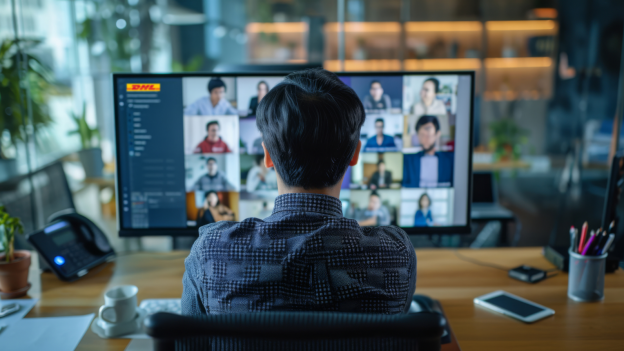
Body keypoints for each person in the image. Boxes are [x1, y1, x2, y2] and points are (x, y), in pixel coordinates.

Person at [183, 68, 416, 315]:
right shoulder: (395, 254)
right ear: (355, 154)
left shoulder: (210, 251)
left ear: (268, 156)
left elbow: (189, 344)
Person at [402, 115, 454, 188]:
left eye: (428, 135)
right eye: (422, 135)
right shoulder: (408, 160)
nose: (425, 139)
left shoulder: (450, 160)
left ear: (437, 134)